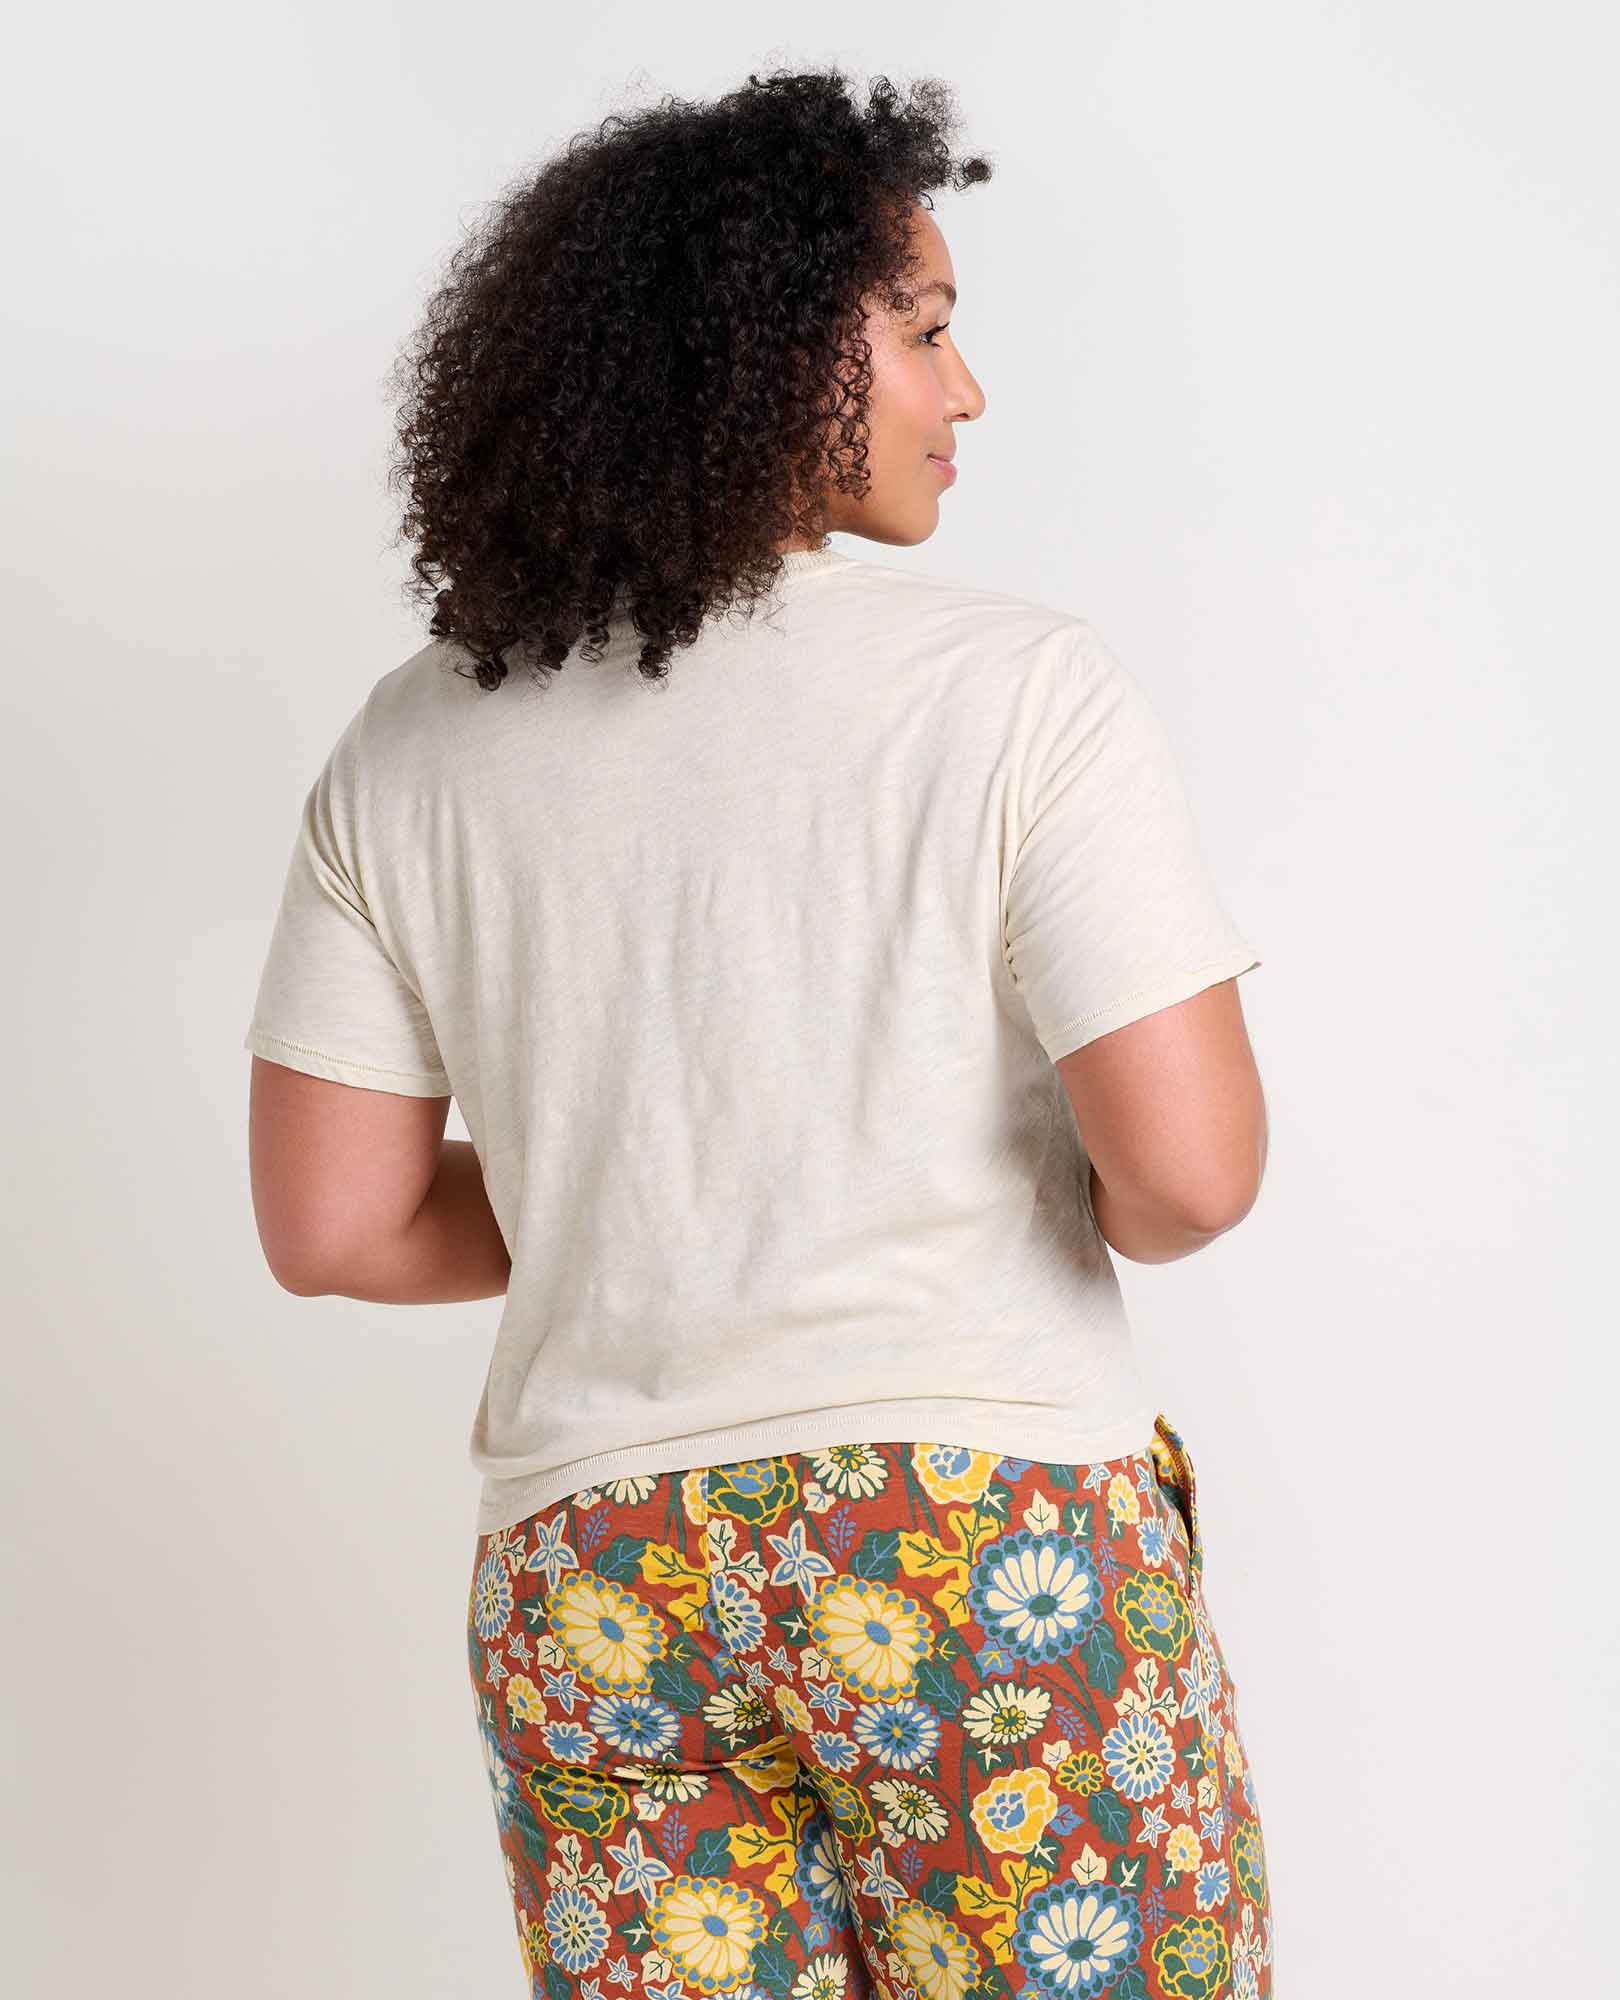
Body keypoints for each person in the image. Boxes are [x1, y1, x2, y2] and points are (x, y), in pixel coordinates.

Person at [244, 65, 1275, 2000]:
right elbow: (1194, 1175)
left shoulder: (415, 743)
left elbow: (337, 1224)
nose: (969, 391)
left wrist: (645, 1189)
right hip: (975, 1550)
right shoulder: (1016, 692)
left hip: (600, 1578)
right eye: (929, 330)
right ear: (782, 348)